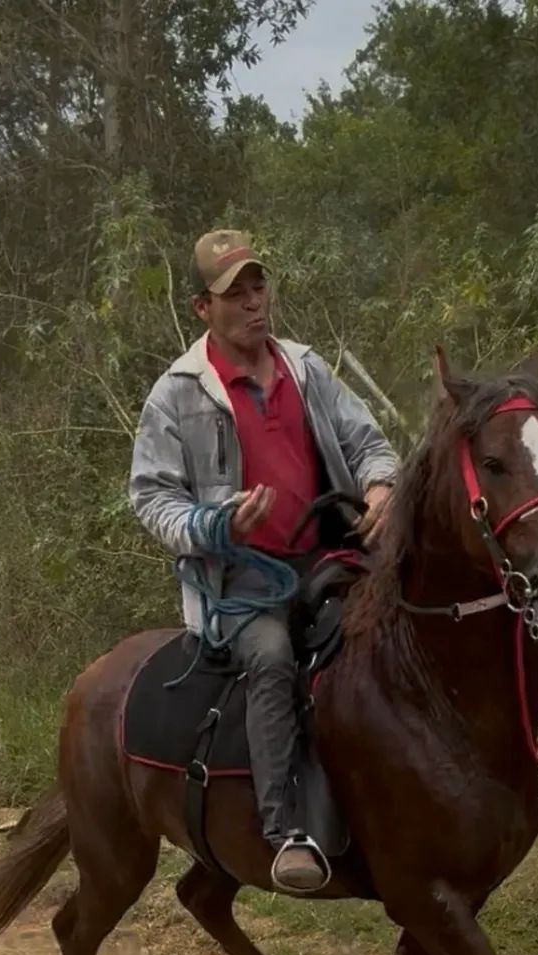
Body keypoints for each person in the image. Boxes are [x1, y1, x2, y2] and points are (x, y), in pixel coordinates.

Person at [129, 229, 400, 892]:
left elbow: (369, 442)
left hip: (328, 554)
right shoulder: (177, 394)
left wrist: (381, 485)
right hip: (239, 581)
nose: (254, 303)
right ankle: (287, 830)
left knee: (392, 630)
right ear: (202, 308)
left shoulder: (306, 368)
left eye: (258, 287)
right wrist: (214, 523)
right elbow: (150, 496)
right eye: (234, 294)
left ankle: (406, 802)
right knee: (275, 657)